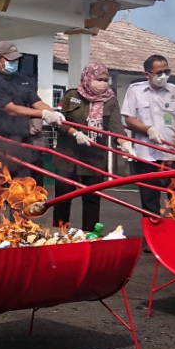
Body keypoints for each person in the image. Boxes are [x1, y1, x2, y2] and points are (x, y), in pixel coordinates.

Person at [52, 63, 135, 231]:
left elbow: (115, 126)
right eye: (99, 79)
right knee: (63, 196)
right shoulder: (71, 96)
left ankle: (89, 236)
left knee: (92, 198)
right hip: (68, 156)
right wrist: (74, 133)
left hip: (94, 157)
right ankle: (59, 233)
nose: (103, 84)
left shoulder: (110, 101)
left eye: (106, 80)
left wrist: (125, 144)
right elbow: (57, 121)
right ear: (88, 78)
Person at [0, 40, 65, 182]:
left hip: (21, 144)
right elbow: (11, 109)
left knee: (23, 193)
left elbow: (37, 102)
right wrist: (43, 115)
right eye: (10, 59)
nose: (14, 62)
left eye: (16, 59)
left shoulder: (22, 79)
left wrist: (53, 113)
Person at [121, 54, 175, 216]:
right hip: (146, 154)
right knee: (149, 200)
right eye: (158, 73)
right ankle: (152, 236)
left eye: (166, 71)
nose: (163, 76)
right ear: (147, 74)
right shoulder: (135, 91)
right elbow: (129, 118)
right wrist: (147, 129)